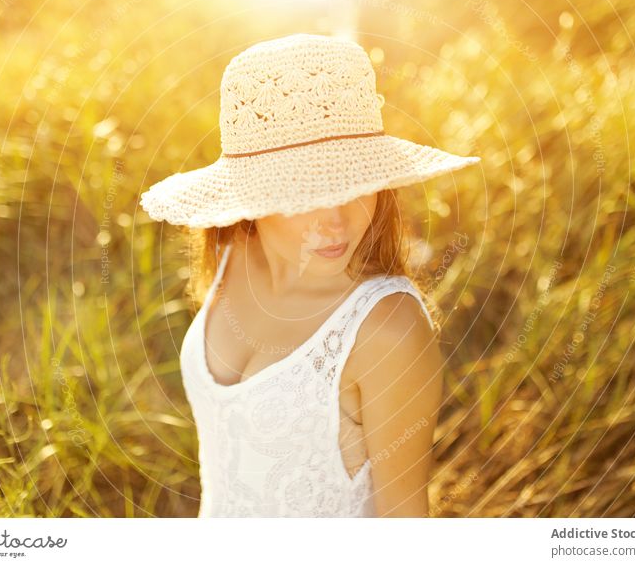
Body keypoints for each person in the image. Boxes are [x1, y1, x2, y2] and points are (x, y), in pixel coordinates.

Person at [140, 33, 480, 517]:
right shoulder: (232, 251)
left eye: (353, 186)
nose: (336, 222)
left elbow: (403, 522)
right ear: (252, 203)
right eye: (305, 194)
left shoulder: (386, 331)